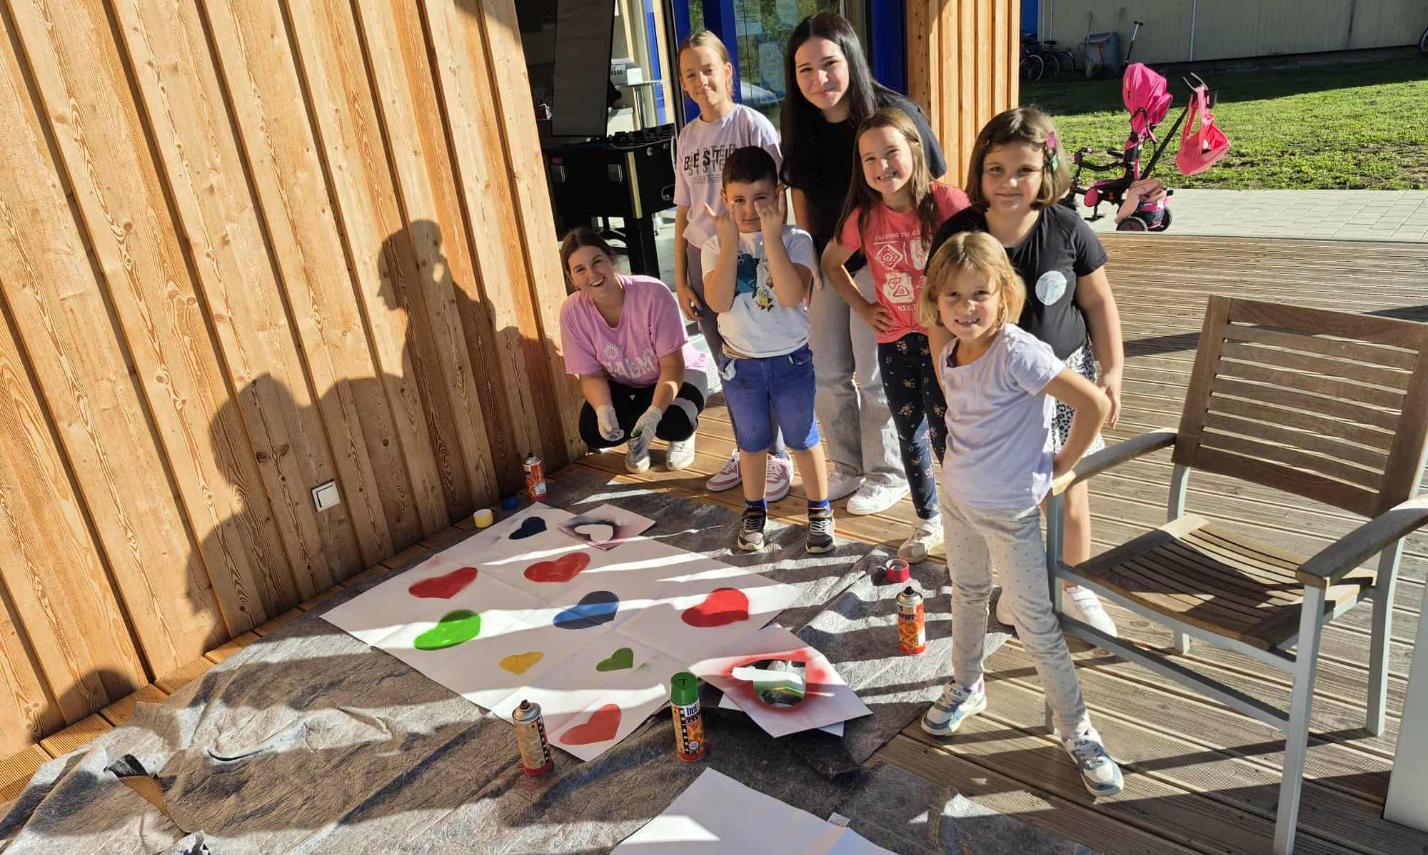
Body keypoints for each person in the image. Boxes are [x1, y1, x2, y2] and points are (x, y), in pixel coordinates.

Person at [918, 231, 1123, 798]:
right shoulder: (950, 350)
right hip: (958, 503)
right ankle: (966, 685)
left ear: (1004, 295)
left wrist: (1062, 463)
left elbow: (1094, 403)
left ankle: (1076, 729)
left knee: (1036, 624)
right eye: (953, 297)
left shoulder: (1018, 350)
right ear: (936, 300)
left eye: (979, 294)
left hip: (1011, 514)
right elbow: (967, 416)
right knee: (966, 596)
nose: (966, 308)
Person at [926, 106, 1124, 637]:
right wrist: (949, 380)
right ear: (979, 171)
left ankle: (1073, 586)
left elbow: (1099, 302)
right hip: (987, 392)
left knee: (1066, 488)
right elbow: (937, 317)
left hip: (1062, 380)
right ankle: (1018, 591)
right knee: (1000, 498)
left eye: (1024, 170)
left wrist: (1114, 370)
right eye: (996, 169)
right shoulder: (958, 232)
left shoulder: (1066, 228)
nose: (1010, 182)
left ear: (1046, 170)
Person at [780, 11, 947, 517]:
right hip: (832, 261)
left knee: (875, 376)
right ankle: (847, 466)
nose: (818, 80)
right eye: (804, 70)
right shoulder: (799, 120)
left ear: (851, 59)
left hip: (889, 259)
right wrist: (808, 266)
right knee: (828, 372)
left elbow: (934, 186)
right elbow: (804, 198)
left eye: (829, 64)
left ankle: (887, 471)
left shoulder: (895, 112)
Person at [821, 108, 969, 562]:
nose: (882, 166)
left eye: (891, 153)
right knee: (910, 433)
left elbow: (984, 261)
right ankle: (929, 520)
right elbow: (831, 262)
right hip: (896, 344)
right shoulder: (864, 218)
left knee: (952, 436)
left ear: (915, 151)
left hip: (950, 345)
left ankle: (965, 522)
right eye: (870, 159)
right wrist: (865, 308)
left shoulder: (949, 204)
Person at [672, 31, 792, 502]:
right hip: (707, 262)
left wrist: (779, 256)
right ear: (682, 84)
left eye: (708, 69)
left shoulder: (754, 126)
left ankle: (776, 456)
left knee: (765, 355)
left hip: (755, 262)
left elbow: (778, 199)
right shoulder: (686, 137)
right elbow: (684, 210)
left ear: (728, 72)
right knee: (730, 365)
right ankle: (750, 449)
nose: (700, 80)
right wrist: (680, 276)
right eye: (689, 74)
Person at [701, 147, 833, 554]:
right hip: (741, 367)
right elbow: (719, 301)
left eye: (760, 198)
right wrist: (727, 245)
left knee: (802, 438)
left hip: (791, 362)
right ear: (725, 199)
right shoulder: (714, 244)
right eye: (738, 200)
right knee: (752, 443)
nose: (748, 209)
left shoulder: (796, 240)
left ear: (777, 195)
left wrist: (772, 237)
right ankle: (754, 510)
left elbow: (793, 295)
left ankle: (820, 509)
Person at [558, 228, 708, 472]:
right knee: (593, 431)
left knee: (674, 423)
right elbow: (590, 375)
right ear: (571, 277)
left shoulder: (653, 294)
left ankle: (682, 436)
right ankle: (636, 438)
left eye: (597, 262)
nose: (592, 274)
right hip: (625, 382)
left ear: (611, 259)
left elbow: (672, 366)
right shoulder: (572, 312)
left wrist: (655, 413)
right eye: (580, 270)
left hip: (678, 374)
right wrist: (604, 410)